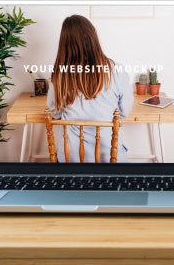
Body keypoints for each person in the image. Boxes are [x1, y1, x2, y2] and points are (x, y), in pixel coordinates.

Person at [46, 15, 133, 162]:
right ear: (93, 37)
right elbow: (124, 112)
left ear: (64, 44)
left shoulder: (60, 75)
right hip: (109, 157)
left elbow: (55, 113)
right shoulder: (117, 70)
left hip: (71, 159)